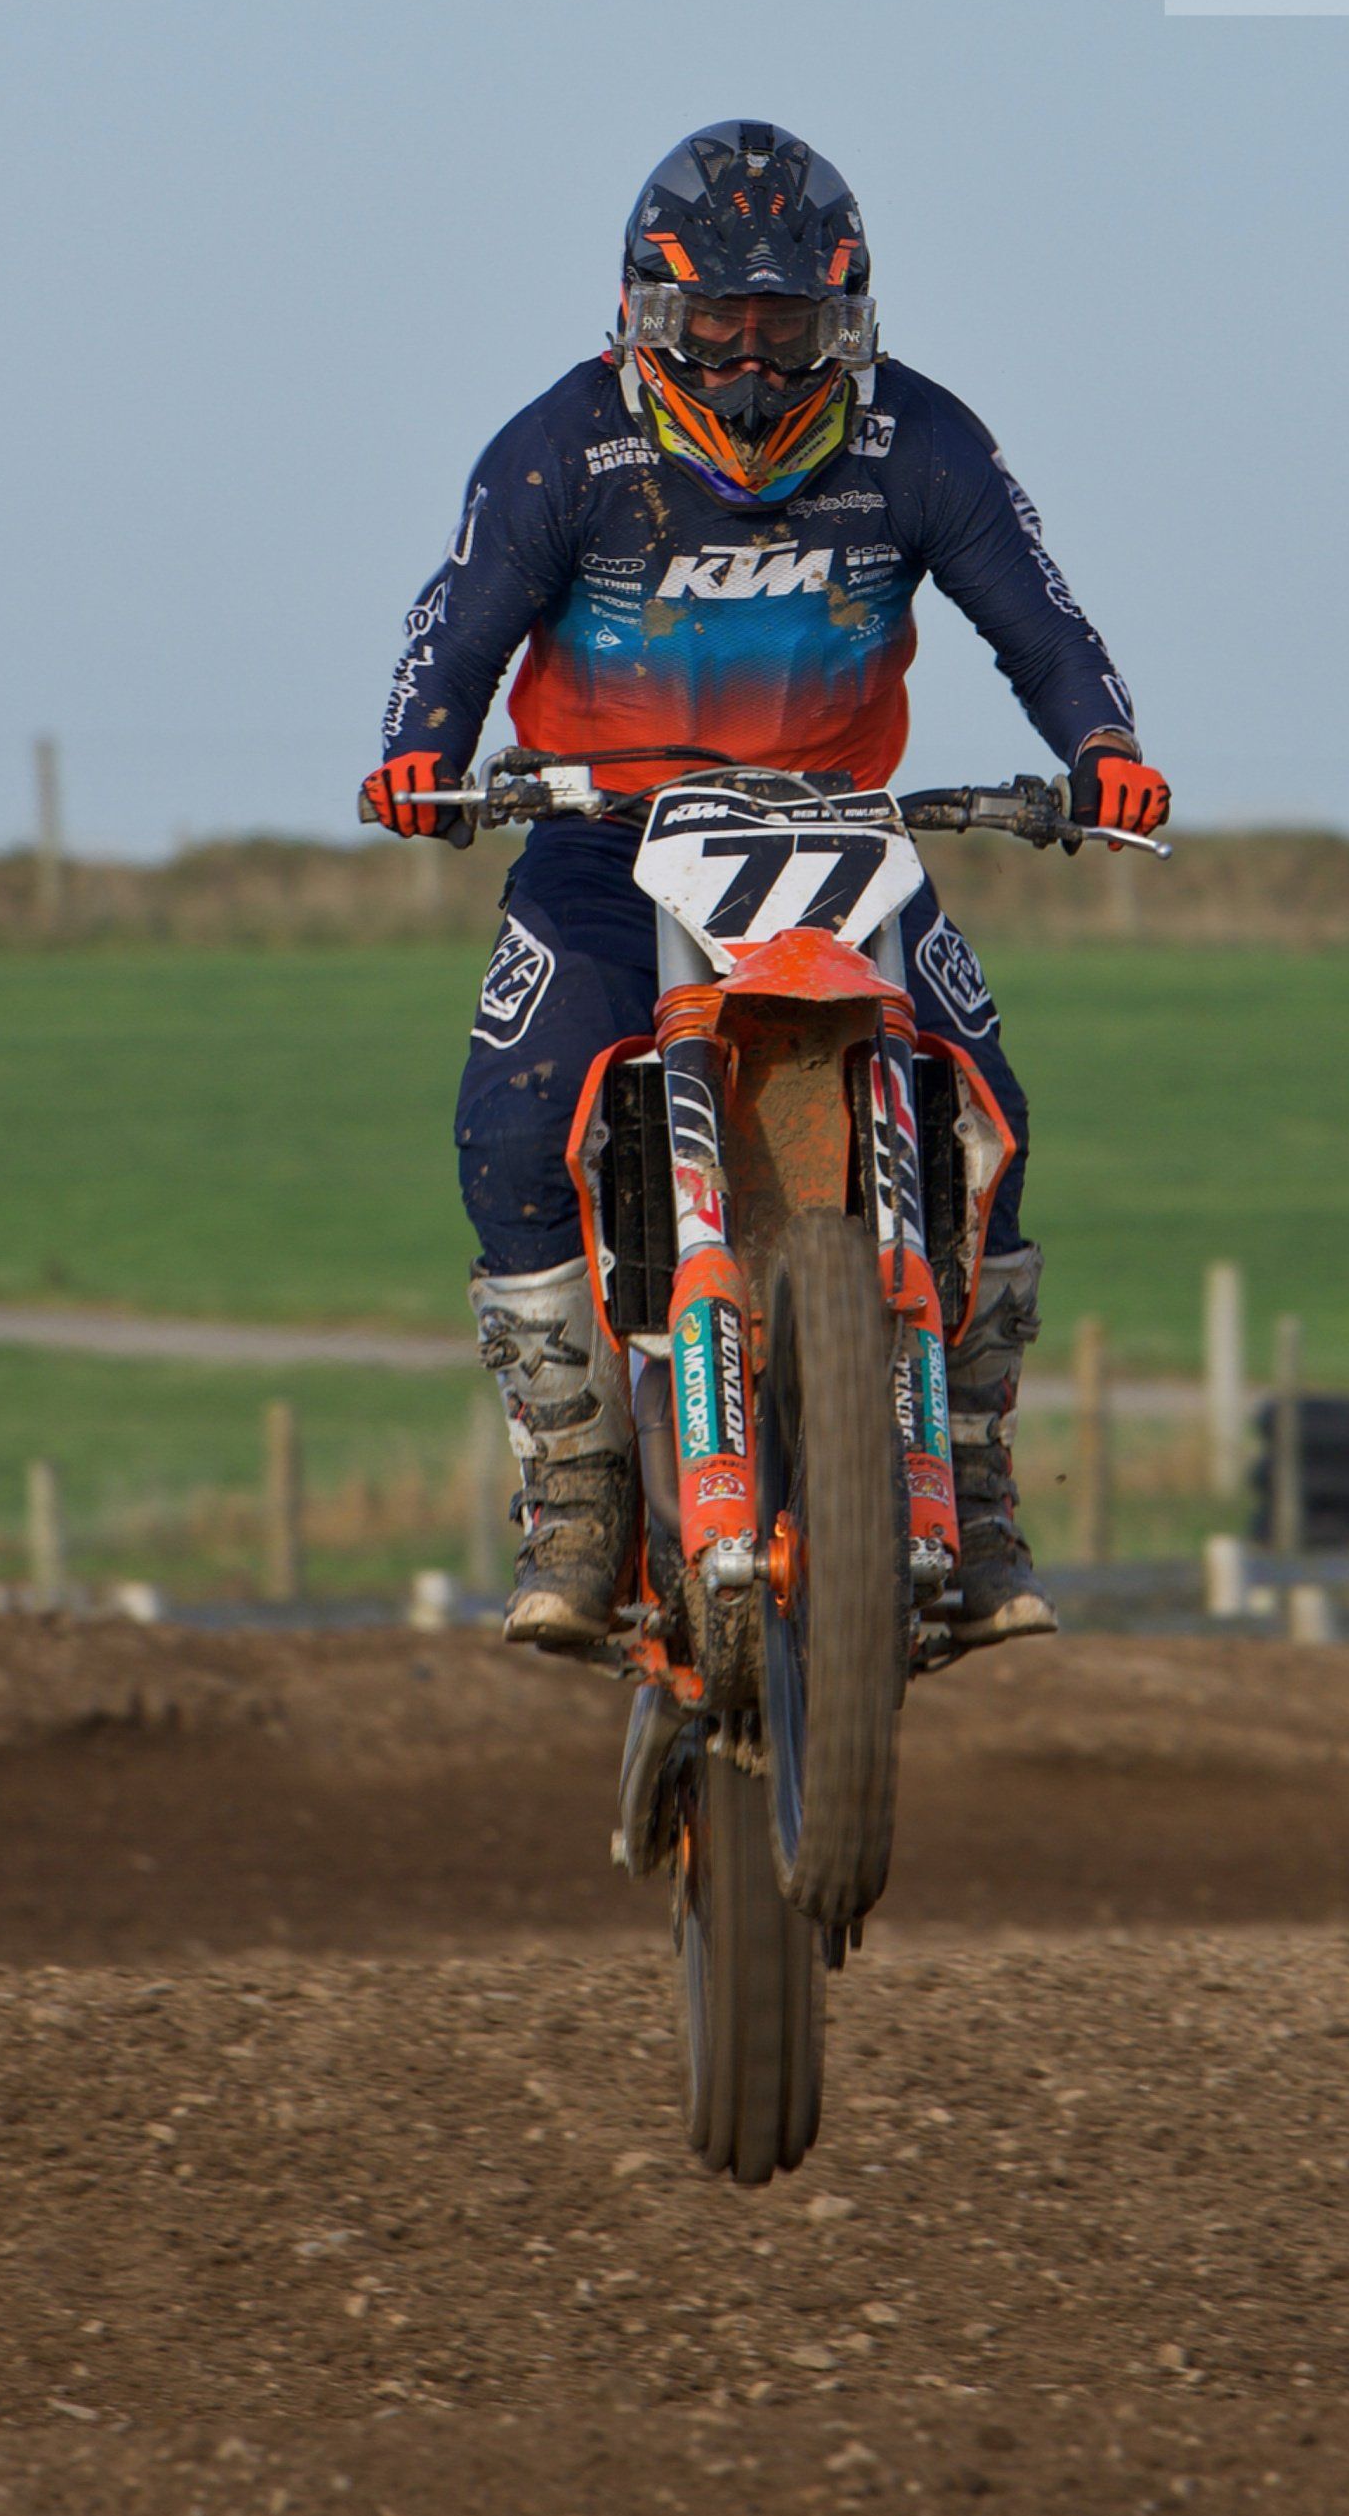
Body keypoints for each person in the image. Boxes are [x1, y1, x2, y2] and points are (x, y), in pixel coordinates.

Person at [362, 121, 1169, 1654]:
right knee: (515, 1113)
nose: (747, 363)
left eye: (784, 326)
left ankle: (974, 1479)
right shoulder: (562, 446)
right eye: (715, 327)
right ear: (642, 320)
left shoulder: (919, 440)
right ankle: (580, 1480)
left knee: (986, 1109)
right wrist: (417, 751)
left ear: (846, 322)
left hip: (844, 832)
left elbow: (1042, 619)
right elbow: (454, 628)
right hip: (609, 841)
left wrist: (1104, 744)